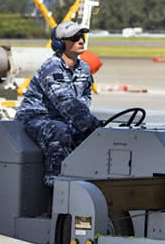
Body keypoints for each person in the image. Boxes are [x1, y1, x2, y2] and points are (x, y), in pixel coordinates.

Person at [17, 21, 102, 188]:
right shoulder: (52, 67)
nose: (81, 40)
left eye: (81, 36)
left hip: (64, 118)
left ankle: (87, 183)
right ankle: (55, 184)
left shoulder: (83, 68)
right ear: (59, 44)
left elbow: (85, 96)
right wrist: (85, 121)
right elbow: (65, 102)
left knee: (93, 131)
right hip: (37, 117)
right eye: (74, 37)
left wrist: (90, 124)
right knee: (59, 131)